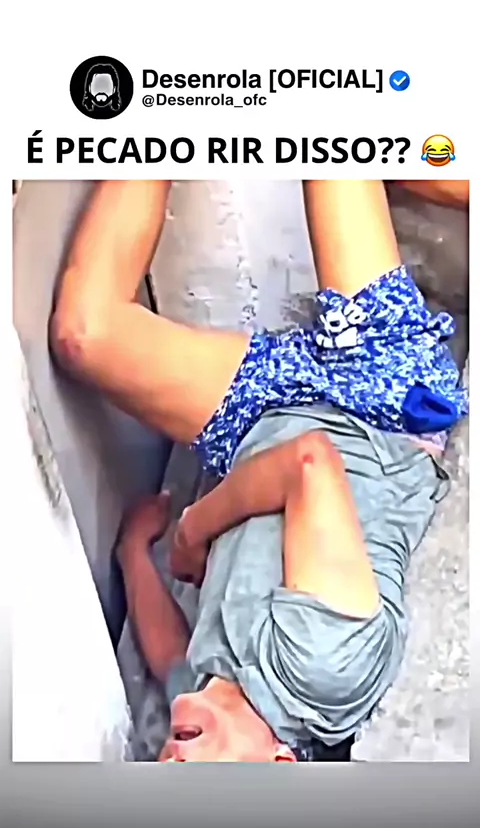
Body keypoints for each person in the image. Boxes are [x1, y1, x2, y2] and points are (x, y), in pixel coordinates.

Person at [50, 180, 468, 762]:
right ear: (281, 765)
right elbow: (310, 465)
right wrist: (193, 529)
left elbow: (169, 656)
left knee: (82, 335)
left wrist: (133, 555)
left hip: (264, 419)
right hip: (379, 402)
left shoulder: (212, 701)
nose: (175, 762)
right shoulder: (323, 673)